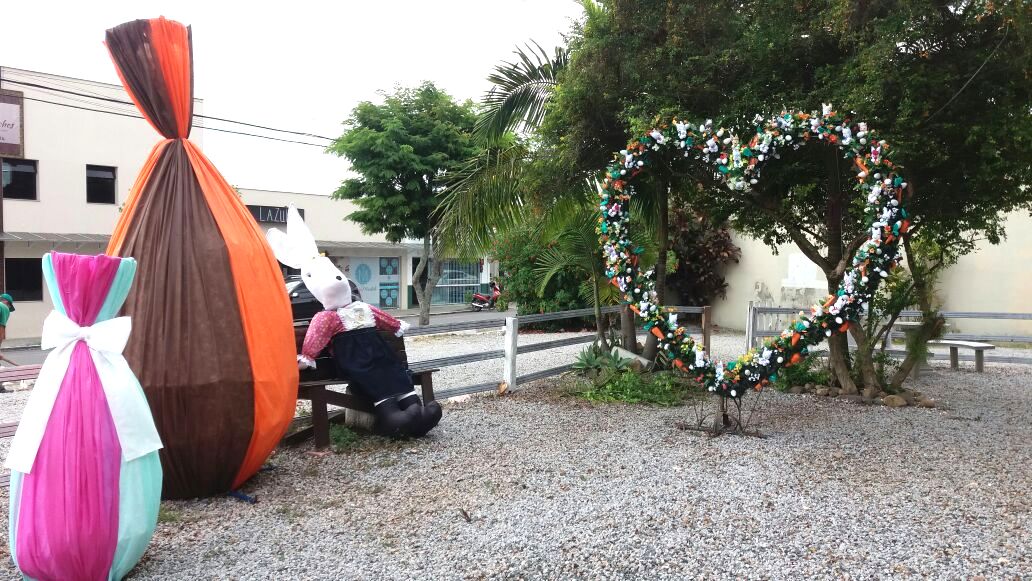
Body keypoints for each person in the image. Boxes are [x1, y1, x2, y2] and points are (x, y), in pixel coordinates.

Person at [0, 293, 15, 367]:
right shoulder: (4, 307)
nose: (9, 309)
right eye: (9, 307)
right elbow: (1, 328)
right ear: (6, 302)